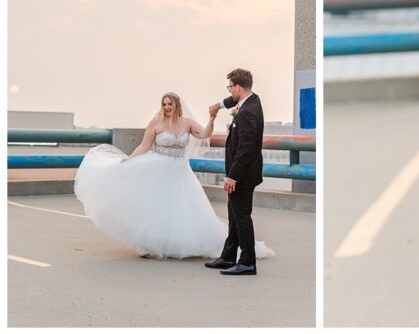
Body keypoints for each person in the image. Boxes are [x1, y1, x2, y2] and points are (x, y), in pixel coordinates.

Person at [74, 91, 274, 262]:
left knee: (179, 209)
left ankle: (179, 243)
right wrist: (129, 159)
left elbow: (204, 134)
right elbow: (144, 145)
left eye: (170, 104)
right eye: (164, 104)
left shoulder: (187, 123)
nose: (167, 107)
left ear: (177, 105)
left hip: (179, 171)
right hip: (157, 167)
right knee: (154, 207)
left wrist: (212, 119)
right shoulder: (155, 123)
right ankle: (146, 243)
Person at [204, 68, 267, 276]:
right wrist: (218, 106)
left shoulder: (248, 112)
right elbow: (231, 102)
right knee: (234, 214)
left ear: (238, 87)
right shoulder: (251, 100)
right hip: (242, 173)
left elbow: (246, 149)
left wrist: (233, 176)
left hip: (242, 174)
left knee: (242, 216)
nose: (229, 91)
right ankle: (229, 256)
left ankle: (248, 261)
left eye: (230, 87)